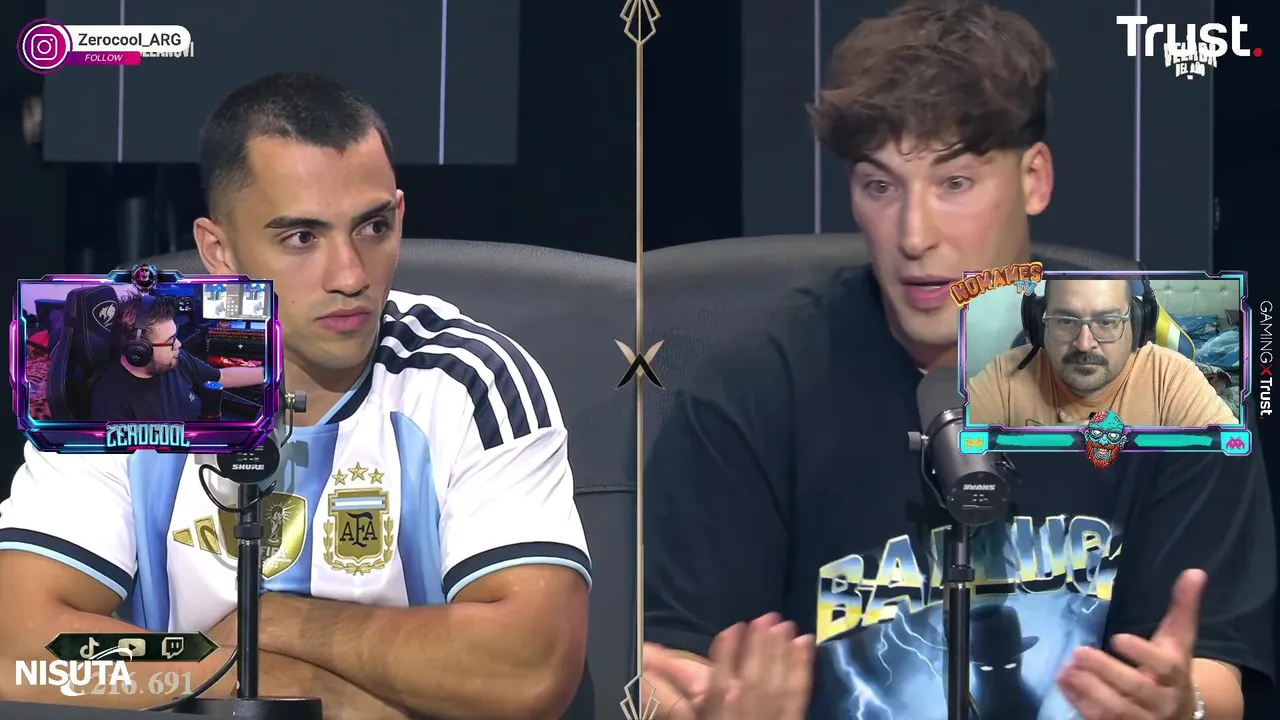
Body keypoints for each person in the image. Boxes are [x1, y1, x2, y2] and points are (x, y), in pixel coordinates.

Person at [642, 2, 1274, 720]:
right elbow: (665, 669)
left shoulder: (1179, 373)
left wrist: (1181, 706)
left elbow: (1214, 672)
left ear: (1034, 178)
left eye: (956, 183)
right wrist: (704, 708)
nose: (914, 235)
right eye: (880, 186)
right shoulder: (752, 386)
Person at [0, 72, 590, 719]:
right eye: (302, 238)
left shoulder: (475, 378)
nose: (351, 275)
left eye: (373, 227)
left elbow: (529, 669)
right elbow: (17, 647)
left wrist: (278, 623)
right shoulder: (112, 380)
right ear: (220, 250)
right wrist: (247, 674)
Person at [966, 278, 1239, 428]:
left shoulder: (1174, 379)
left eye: (1107, 322)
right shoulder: (1005, 376)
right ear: (1039, 325)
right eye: (1065, 320)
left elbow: (1232, 476)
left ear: (1137, 326)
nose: (1084, 344)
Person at [88, 293, 264, 422]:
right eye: (170, 341)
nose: (178, 344)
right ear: (139, 351)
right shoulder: (110, 403)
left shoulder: (177, 360)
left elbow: (222, 377)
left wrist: (270, 373)